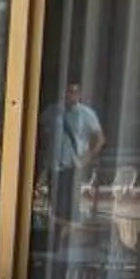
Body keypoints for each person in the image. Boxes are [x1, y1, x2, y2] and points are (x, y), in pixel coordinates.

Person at [49, 81, 106, 225]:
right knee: (54, 203)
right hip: (54, 163)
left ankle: (67, 234)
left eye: (73, 92)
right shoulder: (54, 110)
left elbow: (99, 138)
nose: (70, 95)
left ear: (79, 95)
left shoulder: (86, 114)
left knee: (68, 203)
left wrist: (87, 158)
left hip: (72, 164)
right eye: (68, 91)